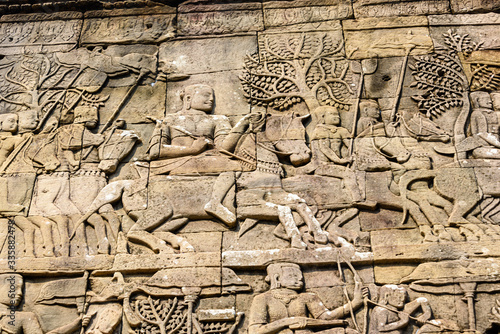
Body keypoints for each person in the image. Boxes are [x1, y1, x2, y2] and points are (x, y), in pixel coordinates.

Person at [145, 84, 253, 227]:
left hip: (209, 159)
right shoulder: (170, 120)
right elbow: (155, 151)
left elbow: (223, 149)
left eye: (212, 96)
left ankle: (217, 201)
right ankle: (215, 203)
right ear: (189, 98)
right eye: (206, 95)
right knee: (234, 165)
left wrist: (241, 125)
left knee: (237, 164)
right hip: (175, 163)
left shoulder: (218, 120)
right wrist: (193, 150)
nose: (211, 99)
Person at [248, 263, 366, 334]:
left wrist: (355, 303)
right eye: (292, 276)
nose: (299, 279)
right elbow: (255, 331)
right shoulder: (263, 298)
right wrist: (288, 322)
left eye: (300, 277)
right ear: (277, 278)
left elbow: (327, 317)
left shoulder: (307, 297)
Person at [0, 274, 89, 334]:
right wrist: (74, 326)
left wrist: (73, 326)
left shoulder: (25, 317)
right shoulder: (25, 318)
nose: (19, 293)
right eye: (13, 288)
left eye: (21, 289)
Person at [456, 91, 500, 159]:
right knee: (478, 153)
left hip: (494, 145)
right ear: (477, 101)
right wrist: (497, 144)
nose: (490, 101)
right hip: (484, 146)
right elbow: (482, 133)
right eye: (486, 99)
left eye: (490, 99)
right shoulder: (477, 114)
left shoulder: (494, 114)